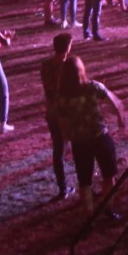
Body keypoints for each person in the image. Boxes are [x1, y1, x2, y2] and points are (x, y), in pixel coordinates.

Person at [56, 56, 128, 213]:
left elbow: (63, 123)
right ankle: (109, 209)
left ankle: (89, 216)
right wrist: (120, 116)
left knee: (85, 182)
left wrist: (66, 142)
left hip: (79, 142)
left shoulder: (61, 97)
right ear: (81, 70)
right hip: (100, 137)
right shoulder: (93, 87)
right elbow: (114, 102)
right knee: (108, 175)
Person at [40, 32, 75, 200]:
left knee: (58, 150)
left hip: (52, 112)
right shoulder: (69, 66)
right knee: (79, 147)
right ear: (68, 47)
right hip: (68, 112)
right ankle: (86, 183)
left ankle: (62, 187)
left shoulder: (45, 65)